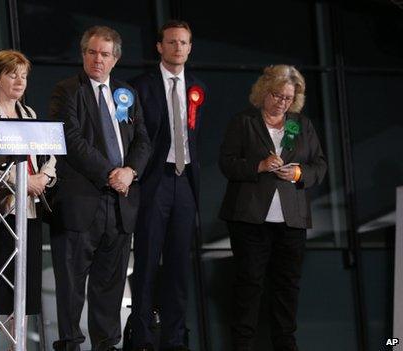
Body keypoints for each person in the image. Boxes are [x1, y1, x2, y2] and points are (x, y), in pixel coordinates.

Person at [48, 25, 151, 351]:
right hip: (81, 203)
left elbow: (143, 142)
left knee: (110, 285)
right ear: (83, 54)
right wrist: (111, 173)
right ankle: (70, 345)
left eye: (104, 54)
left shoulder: (126, 94)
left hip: (120, 205)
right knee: (71, 286)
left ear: (115, 58)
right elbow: (71, 140)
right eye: (91, 52)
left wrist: (130, 172)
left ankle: (107, 345)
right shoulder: (67, 91)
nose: (97, 59)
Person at [218, 64, 327, 351]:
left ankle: (285, 346)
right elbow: (226, 163)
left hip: (292, 220)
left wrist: (299, 174)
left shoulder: (300, 125)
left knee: (287, 287)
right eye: (277, 95)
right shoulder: (243, 122)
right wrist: (259, 165)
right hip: (250, 219)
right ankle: (242, 346)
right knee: (249, 285)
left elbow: (320, 165)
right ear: (264, 92)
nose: (282, 102)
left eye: (288, 98)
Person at [128, 20, 205, 351]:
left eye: (184, 43)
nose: (178, 48)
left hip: (185, 180)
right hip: (154, 181)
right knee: (146, 260)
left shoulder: (197, 87)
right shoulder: (139, 87)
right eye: (172, 42)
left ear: (190, 48)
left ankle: (175, 338)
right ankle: (142, 335)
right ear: (160, 47)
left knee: (178, 264)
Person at [0, 49, 57, 340]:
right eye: (12, 74)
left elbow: (49, 154)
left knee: (23, 296)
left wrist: (43, 177)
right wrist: (23, 182)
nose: (19, 80)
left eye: (24, 75)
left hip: (29, 211)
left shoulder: (29, 114)